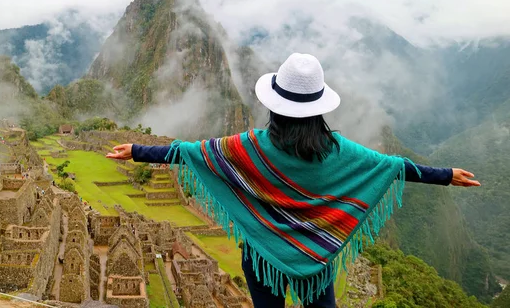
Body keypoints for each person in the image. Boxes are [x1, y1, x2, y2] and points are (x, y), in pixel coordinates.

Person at [106, 53, 480, 308]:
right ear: (318, 107)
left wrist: (137, 150)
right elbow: (394, 166)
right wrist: (446, 176)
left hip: (262, 256)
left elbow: (190, 151)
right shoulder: (340, 151)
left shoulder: (249, 147)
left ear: (275, 104)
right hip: (317, 259)